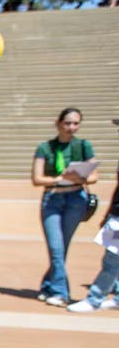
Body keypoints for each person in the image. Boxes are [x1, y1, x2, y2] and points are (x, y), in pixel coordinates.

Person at [31, 107, 99, 307]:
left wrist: (80, 176)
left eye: (76, 123)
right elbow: (37, 178)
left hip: (75, 199)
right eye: (68, 123)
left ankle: (47, 286)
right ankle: (61, 292)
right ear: (58, 123)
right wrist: (60, 178)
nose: (71, 127)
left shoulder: (83, 146)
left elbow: (95, 175)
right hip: (52, 199)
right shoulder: (45, 148)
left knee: (62, 248)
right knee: (56, 247)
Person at [67, 164, 119, 313]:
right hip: (116, 217)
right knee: (113, 259)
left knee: (112, 260)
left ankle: (94, 300)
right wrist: (109, 214)